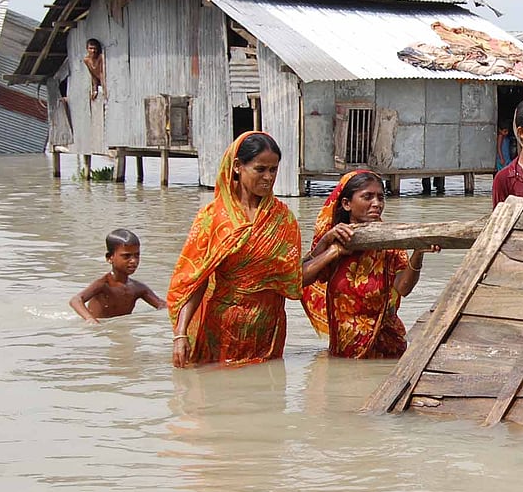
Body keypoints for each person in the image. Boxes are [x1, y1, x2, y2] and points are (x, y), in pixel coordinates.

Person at [168, 132, 302, 368]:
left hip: (268, 328)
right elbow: (196, 280)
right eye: (260, 169)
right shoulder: (213, 217)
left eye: (273, 170)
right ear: (238, 166)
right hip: (223, 327)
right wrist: (180, 334)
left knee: (267, 387)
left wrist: (329, 247)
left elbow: (294, 278)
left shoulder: (282, 219)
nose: (268, 177)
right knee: (218, 385)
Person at [301, 170, 439, 359]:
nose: (377, 204)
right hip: (343, 352)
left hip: (387, 351)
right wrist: (331, 248)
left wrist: (418, 252)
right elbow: (298, 280)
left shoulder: (390, 241)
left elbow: (403, 288)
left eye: (380, 198)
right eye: (367, 197)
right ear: (347, 204)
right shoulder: (334, 241)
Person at [69, 229, 165, 322]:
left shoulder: (138, 288)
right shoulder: (103, 284)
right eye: (126, 256)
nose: (133, 261)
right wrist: (90, 319)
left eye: (137, 255)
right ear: (110, 258)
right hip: (100, 330)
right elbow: (76, 300)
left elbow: (162, 305)